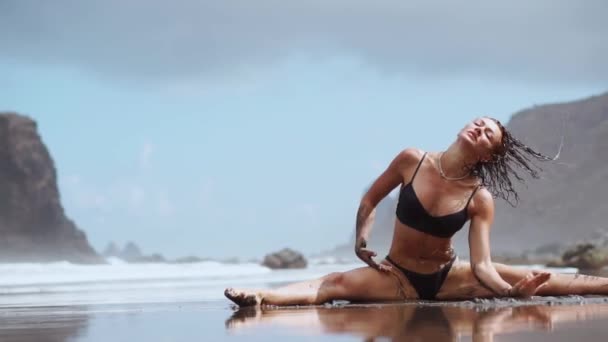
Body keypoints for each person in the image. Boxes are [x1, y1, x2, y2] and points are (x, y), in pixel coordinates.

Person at [225, 117, 608, 307]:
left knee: (538, 278)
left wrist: (512, 294)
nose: (481, 128)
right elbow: (369, 200)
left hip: (448, 277)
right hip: (398, 276)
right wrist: (361, 239)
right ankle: (261, 295)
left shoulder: (479, 197)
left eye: (490, 133)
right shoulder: (412, 160)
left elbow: (483, 266)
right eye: (480, 121)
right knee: (334, 284)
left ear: (489, 155)